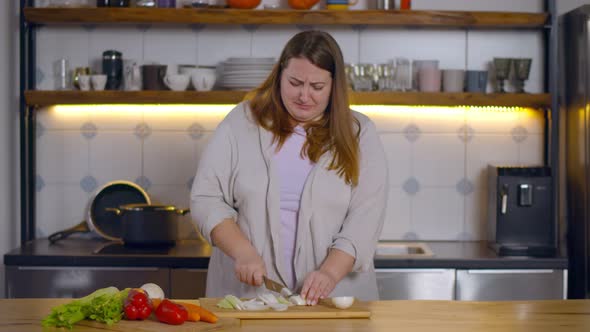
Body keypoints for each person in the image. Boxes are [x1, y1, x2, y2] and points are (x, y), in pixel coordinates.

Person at [190, 30, 388, 305]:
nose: (304, 96)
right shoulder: (240, 123)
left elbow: (366, 217)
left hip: (335, 297)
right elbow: (206, 198)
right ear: (279, 75)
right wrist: (243, 252)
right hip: (249, 298)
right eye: (295, 82)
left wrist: (329, 273)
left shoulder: (360, 133)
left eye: (317, 87)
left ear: (334, 87)